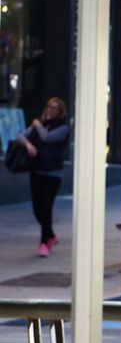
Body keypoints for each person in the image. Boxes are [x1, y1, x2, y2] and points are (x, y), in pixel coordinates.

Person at [16, 97, 69, 257]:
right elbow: (20, 136)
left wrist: (38, 125)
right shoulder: (39, 124)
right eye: (49, 107)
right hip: (37, 170)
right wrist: (28, 145)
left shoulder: (63, 128)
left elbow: (47, 137)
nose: (50, 111)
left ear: (60, 112)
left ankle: (44, 243)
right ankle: (51, 235)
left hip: (53, 173)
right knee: (37, 209)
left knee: (46, 208)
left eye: (55, 108)